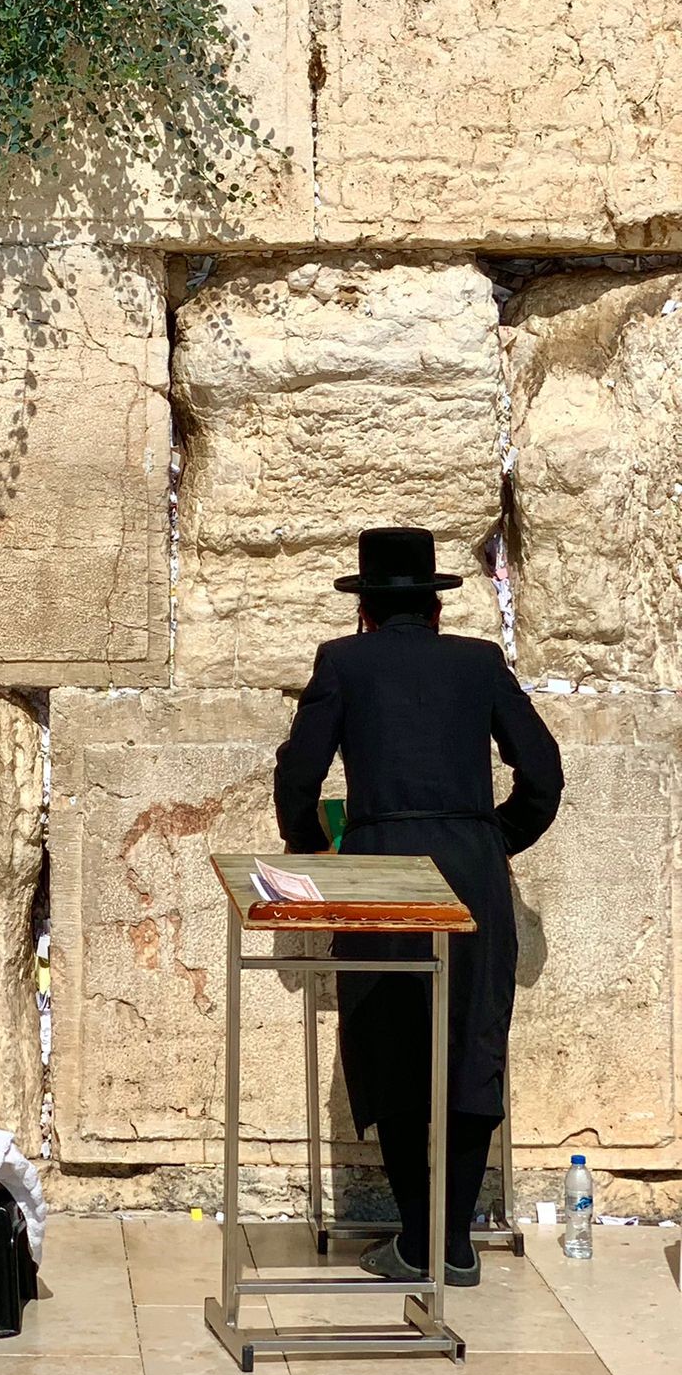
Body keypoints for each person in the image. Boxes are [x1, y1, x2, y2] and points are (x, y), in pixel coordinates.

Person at [274, 528, 563, 1287]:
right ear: (435, 608)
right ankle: (457, 1243)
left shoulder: (343, 663)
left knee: (392, 1040)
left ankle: (415, 1237)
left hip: (378, 868)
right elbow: (543, 773)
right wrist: (495, 836)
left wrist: (314, 850)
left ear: (364, 609)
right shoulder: (480, 664)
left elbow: (297, 776)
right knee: (471, 1041)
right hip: (471, 869)